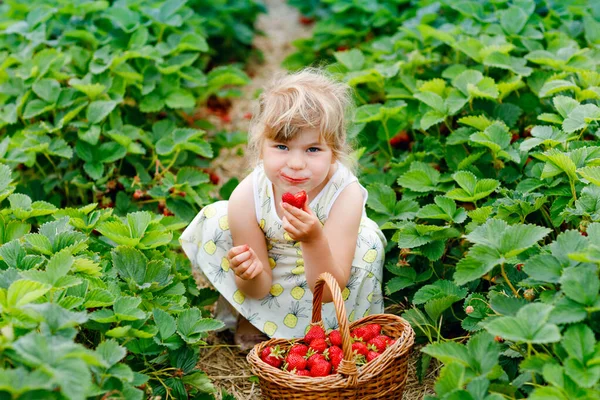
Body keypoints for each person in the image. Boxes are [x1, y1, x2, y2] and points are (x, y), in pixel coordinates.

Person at [180, 68, 386, 350]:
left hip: (328, 278)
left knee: (368, 243)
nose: (296, 163)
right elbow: (258, 287)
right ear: (260, 147)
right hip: (273, 276)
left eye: (313, 149)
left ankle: (329, 331)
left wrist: (314, 239)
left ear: (335, 152)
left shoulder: (344, 194)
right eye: (281, 146)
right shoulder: (249, 194)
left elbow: (328, 291)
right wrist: (247, 273)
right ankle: (256, 317)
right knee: (218, 218)